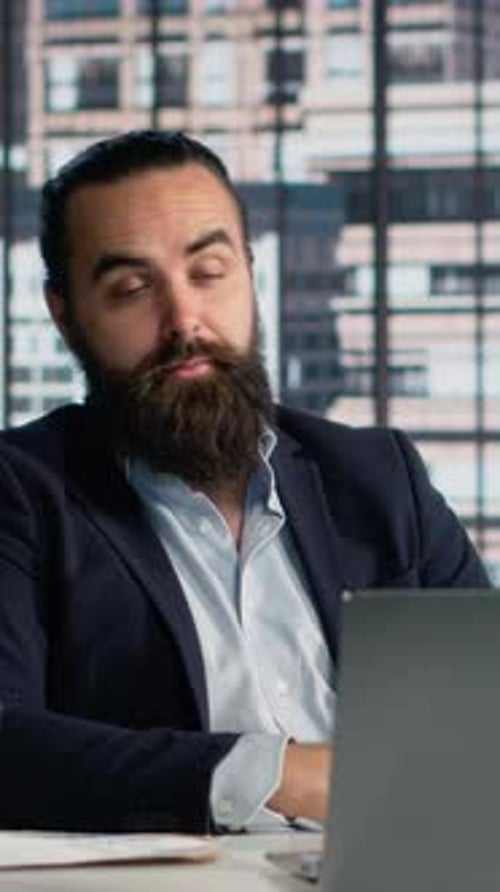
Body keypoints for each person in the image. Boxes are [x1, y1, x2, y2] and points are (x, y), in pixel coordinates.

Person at [0, 130, 490, 834]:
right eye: (132, 288)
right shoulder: (21, 491)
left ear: (250, 275)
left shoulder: (381, 477)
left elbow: (482, 719)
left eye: (209, 272)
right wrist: (276, 774)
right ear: (64, 313)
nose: (183, 321)